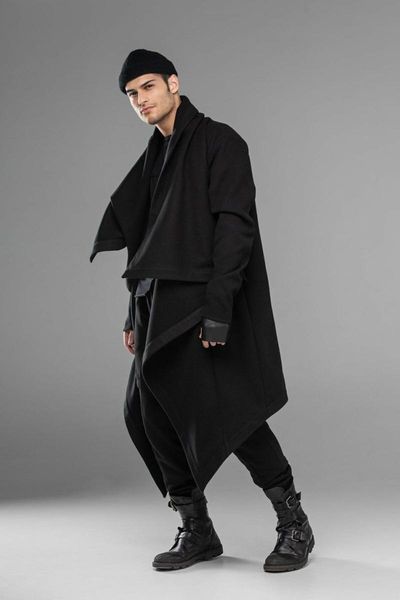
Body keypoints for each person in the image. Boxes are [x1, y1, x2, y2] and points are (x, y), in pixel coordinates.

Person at [89, 48, 315, 573]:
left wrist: (219, 309)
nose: (140, 100)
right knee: (148, 413)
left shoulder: (221, 142)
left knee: (232, 413)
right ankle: (197, 529)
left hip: (201, 305)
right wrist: (132, 312)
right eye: (131, 94)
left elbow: (235, 228)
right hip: (155, 304)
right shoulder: (154, 158)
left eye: (148, 86)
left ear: (174, 83)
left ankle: (294, 523)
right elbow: (146, 243)